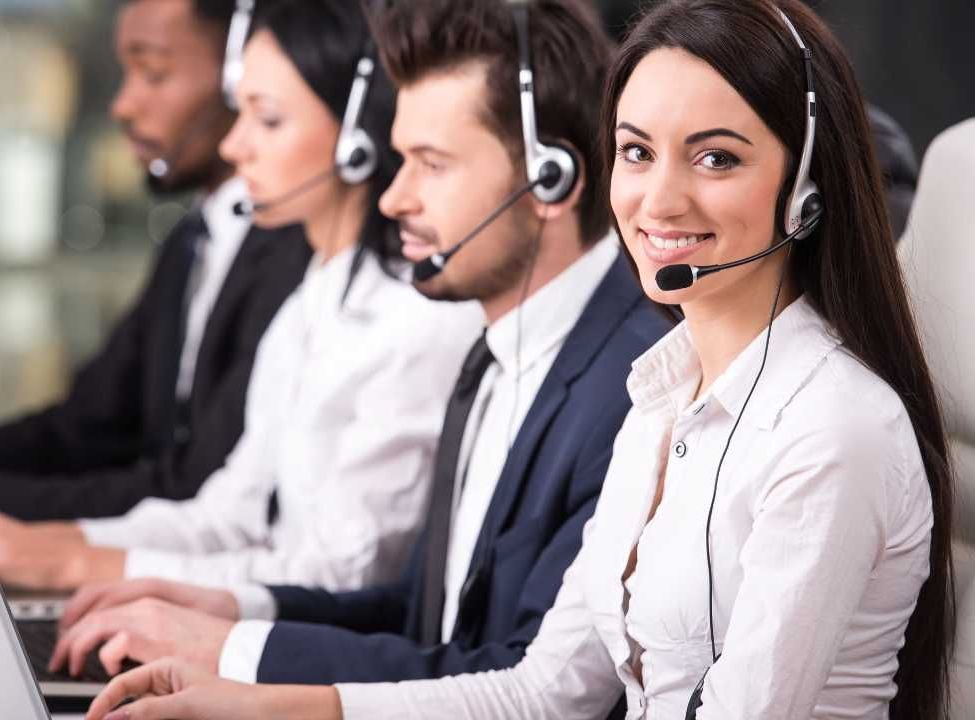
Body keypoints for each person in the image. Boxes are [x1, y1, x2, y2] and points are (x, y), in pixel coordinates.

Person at [80, 1, 954, 718]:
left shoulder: (832, 428)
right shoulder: (662, 398)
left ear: (804, 189)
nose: (659, 198)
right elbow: (545, 689)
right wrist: (256, 704)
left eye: (716, 158)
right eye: (638, 152)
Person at [42, 0, 670, 690]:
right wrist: (229, 611)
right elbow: (420, 619)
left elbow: (525, 681)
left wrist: (233, 655)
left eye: (431, 164)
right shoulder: (495, 352)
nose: (394, 198)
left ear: (551, 180)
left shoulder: (634, 385)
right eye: (400, 160)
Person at [0, 0, 484, 592]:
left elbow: (345, 571)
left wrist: (86, 564)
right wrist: (63, 543)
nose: (235, 148)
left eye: (267, 120)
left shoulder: (415, 320)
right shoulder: (311, 300)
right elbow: (227, 514)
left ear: (356, 139)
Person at [0, 0, 311, 530]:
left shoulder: (302, 254)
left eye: (154, 74)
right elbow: (83, 428)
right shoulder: (194, 239)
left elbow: (192, 486)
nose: (123, 106)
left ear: (243, 81)